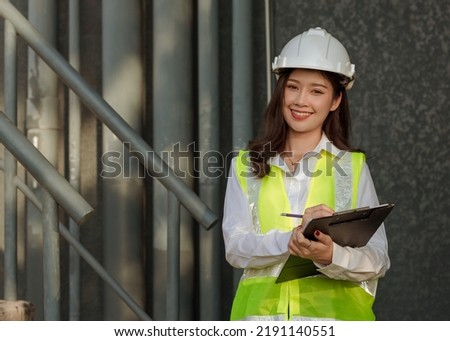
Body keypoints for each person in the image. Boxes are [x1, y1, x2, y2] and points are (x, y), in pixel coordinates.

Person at [222, 27, 390, 321]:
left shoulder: (351, 167)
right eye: (293, 86)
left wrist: (330, 256)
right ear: (281, 89)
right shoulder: (246, 165)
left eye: (317, 91)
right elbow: (236, 248)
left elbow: (378, 259)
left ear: (335, 101)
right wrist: (289, 240)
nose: (301, 100)